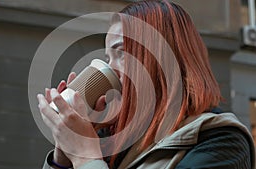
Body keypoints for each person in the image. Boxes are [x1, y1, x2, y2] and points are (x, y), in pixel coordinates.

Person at [37, 1, 255, 168]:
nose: (110, 68)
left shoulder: (221, 141)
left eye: (120, 52)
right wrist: (65, 155)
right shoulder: (110, 141)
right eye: (107, 58)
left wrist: (85, 156)